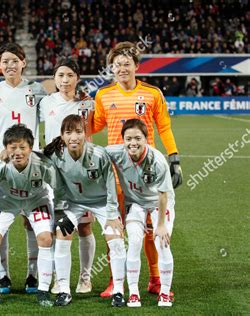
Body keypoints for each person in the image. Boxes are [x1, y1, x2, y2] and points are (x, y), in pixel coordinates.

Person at [88, 41, 181, 297]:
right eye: (116, 65)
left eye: (126, 64)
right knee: (115, 229)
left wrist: (173, 157)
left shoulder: (152, 93)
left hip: (146, 173)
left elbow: (164, 127)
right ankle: (114, 281)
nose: (121, 69)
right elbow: (94, 126)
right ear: (111, 68)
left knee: (150, 229)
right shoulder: (103, 95)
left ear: (136, 66)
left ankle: (155, 279)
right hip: (115, 174)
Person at [0, 42, 47, 294]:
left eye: (14, 60)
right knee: (0, 221)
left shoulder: (36, 90)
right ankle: (3, 274)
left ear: (23, 62)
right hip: (1, 166)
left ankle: (33, 275)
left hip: (31, 165)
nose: (9, 65)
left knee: (32, 222)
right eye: (5, 61)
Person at [0, 124, 55, 307]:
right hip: (7, 200)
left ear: (31, 148)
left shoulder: (43, 163)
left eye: (23, 147)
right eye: (13, 147)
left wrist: (61, 212)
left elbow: (59, 187)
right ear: (5, 148)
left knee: (46, 239)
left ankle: (43, 291)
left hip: (36, 200)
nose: (18, 152)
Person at [44, 114, 127, 307]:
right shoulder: (56, 156)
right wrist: (61, 212)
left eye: (79, 132)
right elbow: (57, 186)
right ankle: (64, 290)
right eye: (68, 132)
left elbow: (110, 185)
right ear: (62, 136)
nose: (74, 137)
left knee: (115, 238)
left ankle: (119, 291)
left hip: (101, 202)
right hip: (73, 203)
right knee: (62, 235)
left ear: (86, 134)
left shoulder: (99, 155)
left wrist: (113, 214)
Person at [39, 58, 95, 294]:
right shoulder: (44, 103)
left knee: (84, 228)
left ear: (77, 78)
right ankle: (58, 278)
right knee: (56, 227)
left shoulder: (87, 104)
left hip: (82, 172)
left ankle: (85, 277)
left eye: (70, 75)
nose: (64, 80)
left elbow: (94, 129)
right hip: (53, 171)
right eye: (60, 75)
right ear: (54, 78)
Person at [106, 119, 175, 307]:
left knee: (162, 243)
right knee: (134, 242)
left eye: (138, 138)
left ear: (146, 139)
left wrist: (160, 225)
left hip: (159, 204)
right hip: (135, 203)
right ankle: (134, 292)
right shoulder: (117, 152)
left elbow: (163, 195)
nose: (132, 143)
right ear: (123, 140)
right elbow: (96, 153)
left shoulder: (158, 160)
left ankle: (165, 292)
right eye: (128, 138)